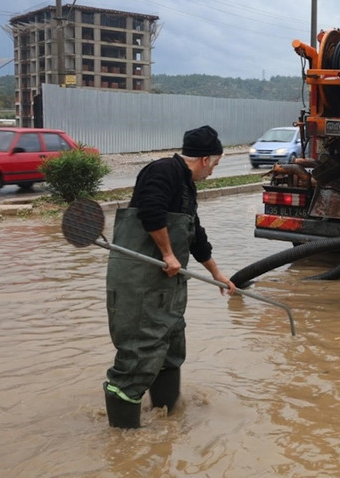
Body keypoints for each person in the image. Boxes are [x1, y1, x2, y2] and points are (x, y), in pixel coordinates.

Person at [103, 125, 237, 428]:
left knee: (170, 347)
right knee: (139, 353)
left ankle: (167, 418)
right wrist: (167, 253)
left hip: (168, 286)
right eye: (215, 165)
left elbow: (195, 235)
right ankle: (124, 443)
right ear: (205, 159)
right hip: (141, 283)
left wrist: (217, 274)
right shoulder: (161, 171)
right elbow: (151, 212)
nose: (213, 172)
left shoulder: (188, 186)